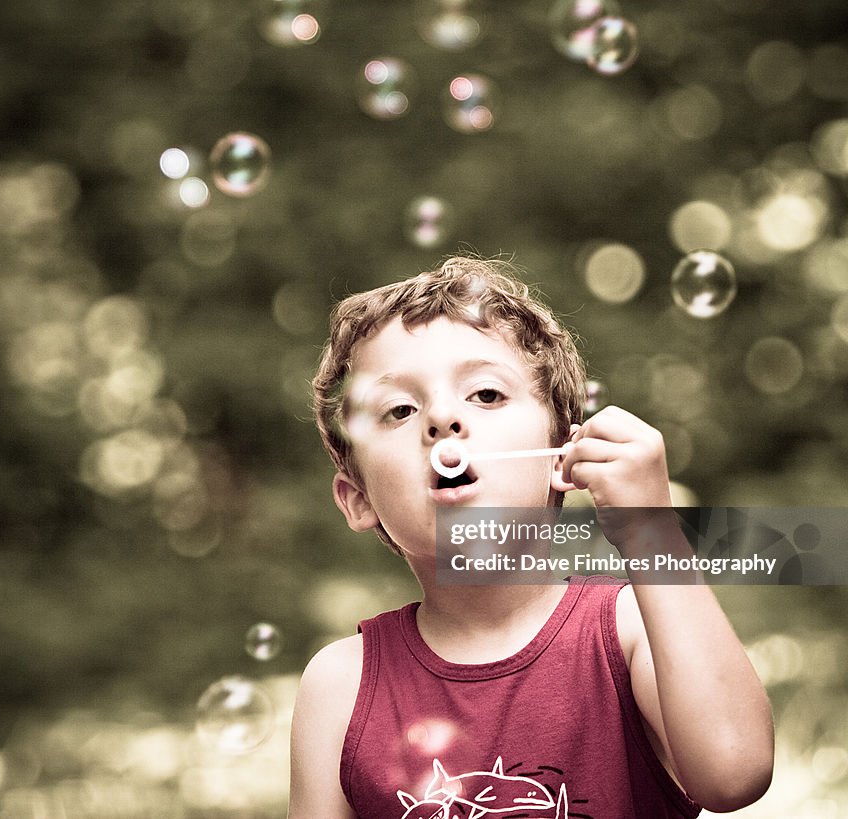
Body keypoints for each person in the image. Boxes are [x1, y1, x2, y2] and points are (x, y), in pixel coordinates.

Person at [288, 256, 773, 818]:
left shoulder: (628, 631)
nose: (442, 419)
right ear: (360, 499)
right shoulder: (341, 686)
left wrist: (652, 530)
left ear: (563, 459)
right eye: (399, 409)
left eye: (486, 395)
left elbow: (736, 773)